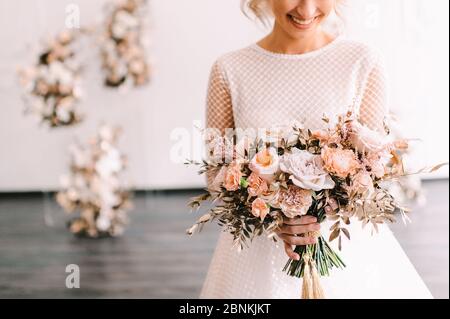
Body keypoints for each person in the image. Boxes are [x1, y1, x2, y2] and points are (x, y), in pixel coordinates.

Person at [200, 0, 432, 298]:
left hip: (347, 253)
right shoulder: (229, 69)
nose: (307, 10)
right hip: (257, 254)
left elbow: (374, 166)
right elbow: (216, 174)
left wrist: (323, 210)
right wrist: (273, 215)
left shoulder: (362, 62)